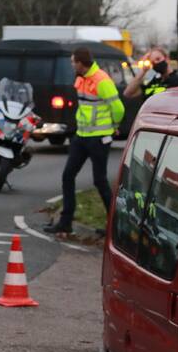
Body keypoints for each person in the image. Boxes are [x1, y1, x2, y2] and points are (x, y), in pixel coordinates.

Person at [44, 47, 125, 235]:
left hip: (98, 138)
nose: (72, 65)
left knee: (100, 181)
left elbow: (118, 108)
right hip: (81, 137)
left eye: (73, 62)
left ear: (81, 63)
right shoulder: (81, 78)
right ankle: (65, 222)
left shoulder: (102, 80)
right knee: (68, 176)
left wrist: (114, 126)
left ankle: (115, 226)